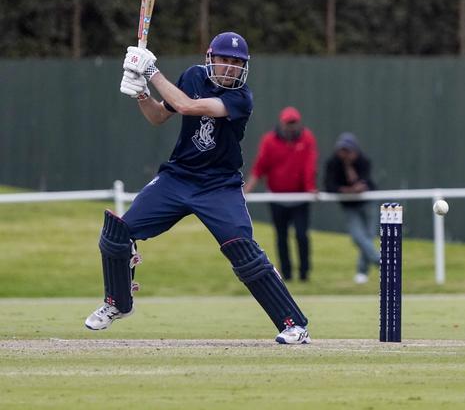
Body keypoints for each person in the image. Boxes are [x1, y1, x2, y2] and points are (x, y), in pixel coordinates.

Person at [84, 32, 311, 344]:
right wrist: (140, 94)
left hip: (219, 185)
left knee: (244, 252)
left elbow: (188, 107)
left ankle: (293, 325)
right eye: (225, 60)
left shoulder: (241, 98)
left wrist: (150, 71)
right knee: (117, 233)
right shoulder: (192, 76)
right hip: (178, 177)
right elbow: (159, 116)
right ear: (210, 57)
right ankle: (118, 303)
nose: (230, 68)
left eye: (237, 63)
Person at [244, 107, 318, 282]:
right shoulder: (269, 141)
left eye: (294, 123)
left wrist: (310, 188)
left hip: (300, 198)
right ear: (282, 123)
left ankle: (304, 274)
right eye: (288, 123)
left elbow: (310, 165)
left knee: (301, 235)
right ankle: (287, 274)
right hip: (277, 198)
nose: (291, 127)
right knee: (281, 237)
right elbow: (259, 167)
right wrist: (246, 191)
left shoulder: (307, 138)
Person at [324, 133, 381, 284]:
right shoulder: (333, 163)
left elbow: (365, 182)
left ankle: (362, 272)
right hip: (349, 206)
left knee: (368, 236)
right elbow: (330, 186)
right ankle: (380, 262)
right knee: (358, 237)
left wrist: (352, 173)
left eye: (348, 150)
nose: (345, 154)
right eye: (342, 150)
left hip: (368, 203)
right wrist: (347, 190)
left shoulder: (363, 161)